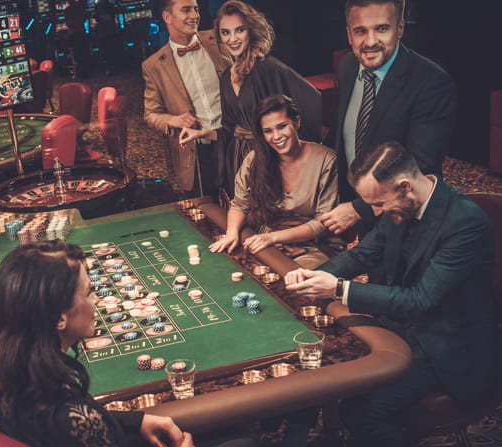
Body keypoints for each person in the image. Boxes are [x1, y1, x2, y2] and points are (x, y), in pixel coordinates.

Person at [285, 141, 499, 447]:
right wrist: (311, 277)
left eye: (379, 203)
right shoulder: (399, 205)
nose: (375, 212)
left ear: (404, 186)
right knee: (318, 368)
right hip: (399, 327)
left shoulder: (464, 223)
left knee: (359, 412)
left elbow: (420, 300)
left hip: (446, 346)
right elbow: (361, 254)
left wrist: (339, 289)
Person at [0, 240, 267, 447]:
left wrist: (136, 421)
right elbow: (79, 424)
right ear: (59, 318)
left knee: (231, 433)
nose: (97, 299)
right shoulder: (73, 418)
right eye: (88, 292)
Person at [320, 0, 456, 237]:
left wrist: (359, 208)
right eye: (361, 30)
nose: (370, 41)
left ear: (400, 28)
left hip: (403, 219)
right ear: (349, 34)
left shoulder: (432, 83)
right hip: (350, 204)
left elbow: (419, 167)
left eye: (382, 28)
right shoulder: (347, 65)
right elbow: (341, 133)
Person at [180, 0, 321, 198]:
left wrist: (292, 154)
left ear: (251, 31)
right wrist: (199, 134)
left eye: (240, 30)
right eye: (225, 32)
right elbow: (229, 130)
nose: (233, 38)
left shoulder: (268, 68)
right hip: (237, 161)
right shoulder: (226, 77)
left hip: (269, 159)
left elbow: (312, 103)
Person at [209, 94, 339, 269]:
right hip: (266, 239)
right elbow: (240, 205)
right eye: (268, 131)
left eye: (282, 126)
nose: (276, 136)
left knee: (300, 285)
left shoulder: (326, 159)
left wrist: (273, 238)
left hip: (313, 246)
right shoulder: (255, 159)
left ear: (297, 122)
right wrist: (231, 233)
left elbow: (322, 224)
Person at [142, 0, 230, 197]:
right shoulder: (153, 65)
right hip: (196, 151)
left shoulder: (218, 40)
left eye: (196, 9)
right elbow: (150, 114)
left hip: (232, 139)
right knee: (206, 210)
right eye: (186, 9)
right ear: (167, 17)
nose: (195, 15)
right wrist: (172, 120)